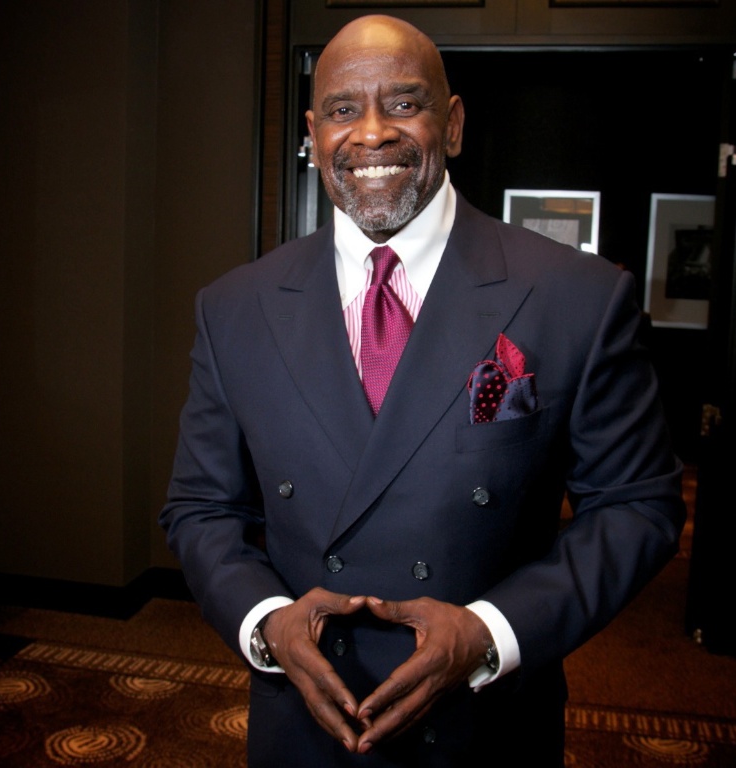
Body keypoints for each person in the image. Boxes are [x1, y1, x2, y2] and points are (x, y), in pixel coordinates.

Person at [160, 14, 685, 767]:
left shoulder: (576, 296)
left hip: (484, 727)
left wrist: (492, 632)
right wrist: (266, 621)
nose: (372, 133)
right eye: (343, 110)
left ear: (454, 123)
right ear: (313, 135)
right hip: (306, 721)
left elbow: (638, 505)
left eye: (403, 104)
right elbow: (201, 507)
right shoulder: (234, 307)